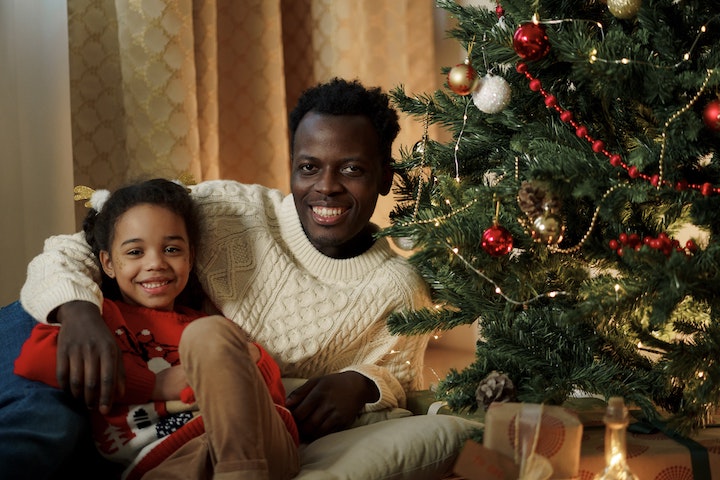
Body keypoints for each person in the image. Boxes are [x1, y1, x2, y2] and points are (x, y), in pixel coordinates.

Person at [5, 77, 432, 477]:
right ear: (292, 168)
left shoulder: (395, 289)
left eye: (352, 170)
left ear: (384, 179)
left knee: (204, 343)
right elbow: (78, 244)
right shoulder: (228, 209)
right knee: (45, 426)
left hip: (216, 418)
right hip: (97, 344)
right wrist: (78, 313)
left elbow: (402, 383)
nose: (327, 187)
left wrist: (364, 383)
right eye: (308, 167)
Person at [13, 178, 300, 480]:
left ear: (190, 257)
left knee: (208, 334)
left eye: (172, 249)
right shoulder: (100, 318)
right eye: (135, 252)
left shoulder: (208, 328)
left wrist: (242, 361)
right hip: (162, 460)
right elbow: (35, 358)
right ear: (108, 263)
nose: (155, 263)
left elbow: (271, 396)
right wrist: (155, 385)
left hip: (255, 447)